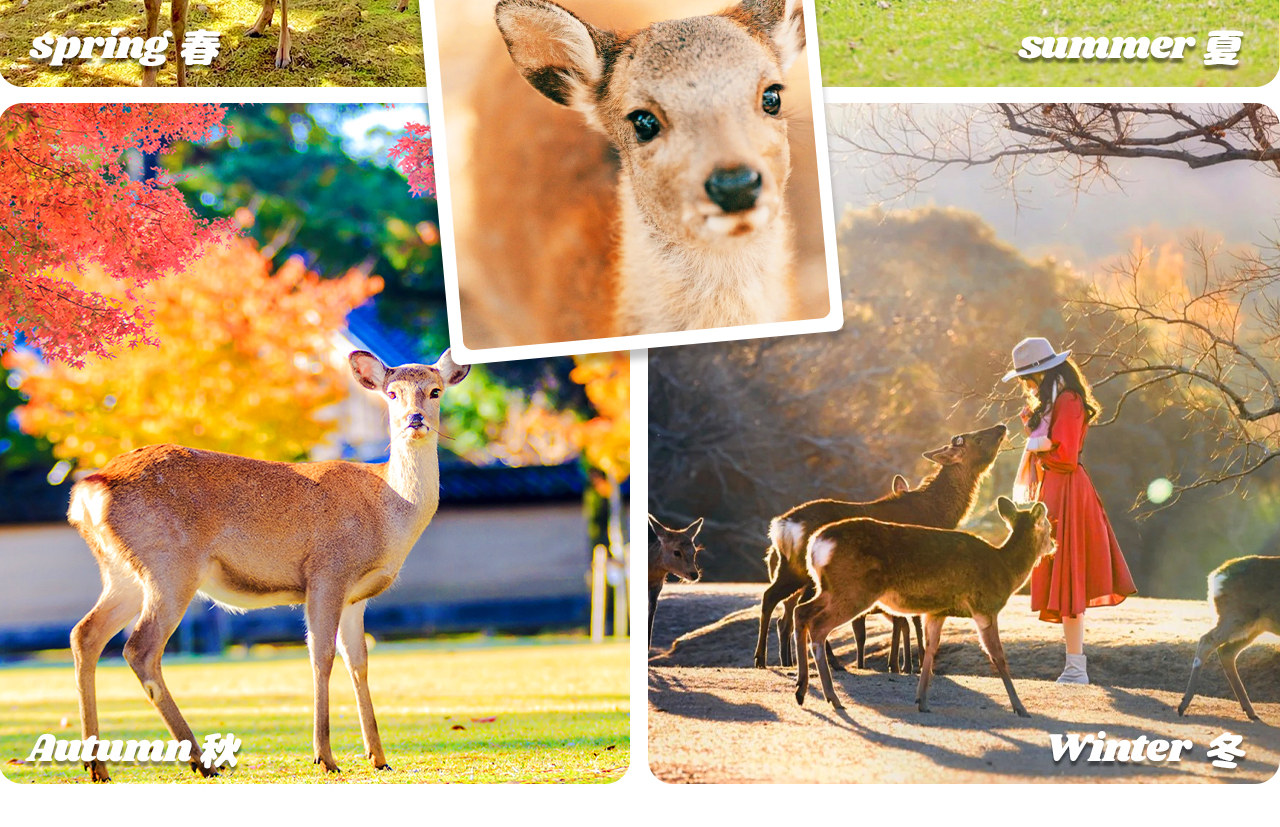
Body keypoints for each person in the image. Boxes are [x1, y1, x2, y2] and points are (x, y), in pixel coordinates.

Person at [1003, 337, 1137, 684]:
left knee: (1071, 575)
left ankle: (1077, 668)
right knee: (1063, 576)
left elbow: (1064, 457)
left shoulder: (1070, 400)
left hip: (1068, 491)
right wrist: (1035, 433)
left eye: (1027, 379)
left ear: (1043, 373)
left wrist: (1037, 443)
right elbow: (1053, 450)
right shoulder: (1056, 401)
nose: (1026, 386)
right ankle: (1074, 666)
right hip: (1054, 491)